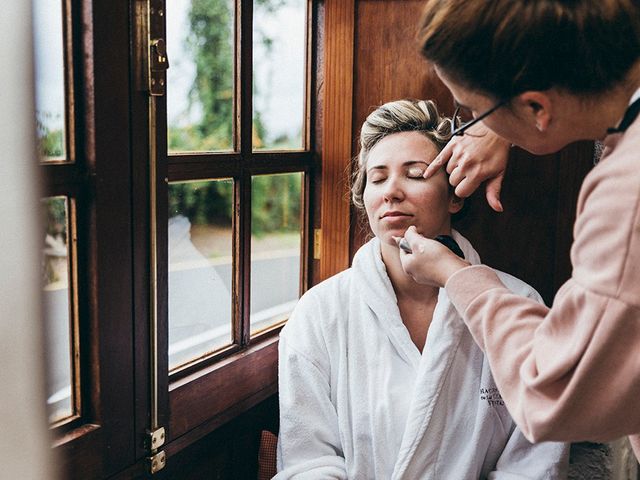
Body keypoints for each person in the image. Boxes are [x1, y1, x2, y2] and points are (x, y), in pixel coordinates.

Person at [394, 0, 640, 457]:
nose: (472, 132)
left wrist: (457, 276)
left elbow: (557, 397)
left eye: (474, 113)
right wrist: (506, 126)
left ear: (536, 106)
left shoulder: (627, 194)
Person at [275, 99, 568, 479]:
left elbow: (535, 464)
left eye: (414, 174)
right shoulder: (320, 313)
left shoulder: (518, 303)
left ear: (455, 195)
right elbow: (308, 462)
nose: (391, 192)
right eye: (377, 179)